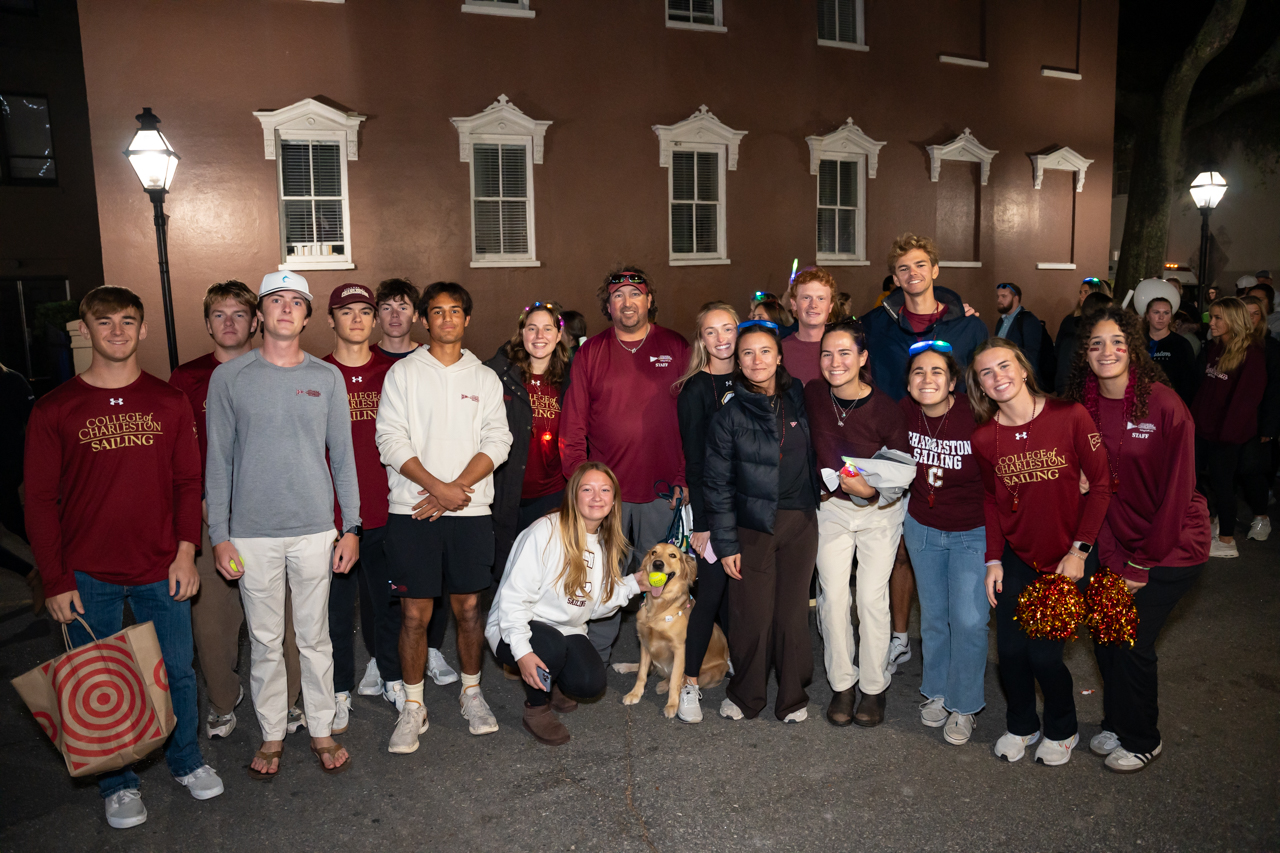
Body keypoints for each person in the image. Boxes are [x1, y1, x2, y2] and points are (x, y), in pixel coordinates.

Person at [25, 286, 223, 827]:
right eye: (105, 321)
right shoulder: (55, 407)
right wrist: (55, 578)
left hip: (162, 566)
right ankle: (118, 782)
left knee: (178, 672)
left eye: (128, 321)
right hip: (87, 574)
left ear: (143, 330)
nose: (117, 331)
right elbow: (39, 501)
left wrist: (187, 553)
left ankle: (186, 759)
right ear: (85, 330)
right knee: (101, 680)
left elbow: (188, 482)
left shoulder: (167, 400)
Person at [206, 271, 359, 778]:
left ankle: (320, 727)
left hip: (315, 528)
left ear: (308, 315)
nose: (287, 309)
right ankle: (272, 733)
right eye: (276, 300)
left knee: (315, 638)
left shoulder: (326, 377)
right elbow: (219, 461)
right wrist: (220, 534)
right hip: (252, 534)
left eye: (297, 302)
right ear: (261, 314)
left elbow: (343, 458)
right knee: (267, 641)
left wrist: (352, 527)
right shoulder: (230, 378)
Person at [1062, 306, 1209, 772]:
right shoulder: (1079, 405)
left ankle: (1144, 737)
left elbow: (1178, 491)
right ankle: (1119, 721)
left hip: (1168, 545)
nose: (1107, 352)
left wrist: (1144, 562)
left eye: (1117, 343)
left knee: (1130, 642)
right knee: (1106, 636)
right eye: (1096, 344)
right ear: (1084, 354)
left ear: (1133, 349)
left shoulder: (1163, 404)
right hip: (1112, 542)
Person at [377, 281, 512, 754]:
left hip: (471, 511)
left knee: (470, 610)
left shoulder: (485, 378)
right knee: (415, 615)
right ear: (425, 319)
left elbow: (498, 441)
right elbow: (390, 440)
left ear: (467, 319)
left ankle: (471, 694)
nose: (447, 319)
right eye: (437, 312)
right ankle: (414, 706)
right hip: (412, 510)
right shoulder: (404, 374)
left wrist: (454, 491)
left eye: (456, 311)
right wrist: (438, 490)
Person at [169, 280, 304, 740]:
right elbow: (179, 451)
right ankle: (224, 701)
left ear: (255, 321)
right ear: (207, 323)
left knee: (282, 619)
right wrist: (202, 504)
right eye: (220, 315)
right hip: (207, 516)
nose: (230, 323)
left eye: (239, 314)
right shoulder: (185, 379)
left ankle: (286, 701)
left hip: (267, 515)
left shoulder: (274, 369)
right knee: (213, 622)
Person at [970, 337, 1111, 766]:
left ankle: (1062, 728)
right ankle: (1021, 725)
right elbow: (991, 501)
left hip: (1067, 558)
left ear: (1024, 368)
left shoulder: (1070, 416)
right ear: (979, 385)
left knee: (1044, 654)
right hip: (1017, 557)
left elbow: (1101, 484)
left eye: (1005, 366)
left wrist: (1080, 550)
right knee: (1010, 653)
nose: (998, 377)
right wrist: (993, 559)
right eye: (986, 373)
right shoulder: (983, 438)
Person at [863, 233, 987, 673]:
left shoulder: (967, 325)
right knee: (900, 548)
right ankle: (900, 638)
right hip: (896, 444)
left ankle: (956, 641)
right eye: (903, 269)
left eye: (920, 265)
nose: (912, 274)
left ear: (935, 269)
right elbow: (832, 342)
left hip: (951, 446)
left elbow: (985, 384)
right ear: (894, 278)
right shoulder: (876, 323)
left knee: (950, 542)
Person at [560, 268, 690, 662]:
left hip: (660, 493)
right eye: (619, 296)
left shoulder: (677, 346)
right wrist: (581, 485)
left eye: (636, 294)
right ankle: (595, 660)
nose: (628, 302)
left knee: (659, 580)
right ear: (608, 305)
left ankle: (665, 656)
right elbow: (573, 424)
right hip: (607, 499)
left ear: (649, 300)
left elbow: (693, 419)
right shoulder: (591, 352)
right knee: (603, 579)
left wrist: (686, 477)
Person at [487, 462, 656, 745]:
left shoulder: (604, 542)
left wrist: (634, 584)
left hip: (567, 630)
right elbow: (514, 599)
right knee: (549, 647)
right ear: (573, 496)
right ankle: (536, 708)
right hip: (516, 625)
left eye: (605, 490)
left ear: (614, 500)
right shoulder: (545, 531)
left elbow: (595, 605)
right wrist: (522, 652)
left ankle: (551, 680)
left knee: (590, 684)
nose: (596, 497)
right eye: (587, 489)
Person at [705, 320, 821, 723]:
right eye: (748, 353)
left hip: (800, 522)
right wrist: (726, 545)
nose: (757, 360)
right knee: (752, 617)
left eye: (765, 351)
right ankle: (746, 696)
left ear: (779, 356)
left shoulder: (801, 397)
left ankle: (792, 699)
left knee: (792, 617)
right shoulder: (729, 415)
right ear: (738, 361)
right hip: (751, 528)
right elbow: (717, 484)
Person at [806, 320, 911, 727]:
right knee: (833, 597)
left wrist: (871, 492)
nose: (835, 362)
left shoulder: (886, 409)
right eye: (827, 354)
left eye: (845, 353)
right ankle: (842, 684)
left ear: (863, 358)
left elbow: (901, 474)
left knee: (870, 598)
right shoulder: (814, 395)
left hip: (878, 512)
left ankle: (873, 686)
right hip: (831, 508)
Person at [899, 341, 989, 746]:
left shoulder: (978, 416)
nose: (927, 379)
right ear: (909, 383)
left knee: (969, 621)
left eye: (937, 372)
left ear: (954, 381)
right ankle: (936, 689)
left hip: (972, 531)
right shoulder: (904, 414)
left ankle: (965, 704)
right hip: (922, 528)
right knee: (934, 617)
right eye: (918, 372)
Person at [372, 277, 456, 689]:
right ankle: (381, 656)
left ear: (417, 316)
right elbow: (388, 437)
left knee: (435, 583)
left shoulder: (440, 362)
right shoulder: (372, 364)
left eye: (403, 306)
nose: (394, 315)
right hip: (388, 494)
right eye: (385, 306)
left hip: (437, 495)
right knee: (388, 590)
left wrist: (445, 489)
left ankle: (432, 649)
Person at [321, 284, 399, 728]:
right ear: (330, 319)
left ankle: (391, 676)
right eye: (345, 311)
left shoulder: (394, 372)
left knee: (386, 606)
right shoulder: (315, 373)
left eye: (364, 311)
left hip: (386, 512)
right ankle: (338, 690)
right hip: (332, 519)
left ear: (374, 320)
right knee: (334, 615)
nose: (356, 318)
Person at [672, 301, 739, 723]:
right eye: (711, 331)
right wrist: (702, 524)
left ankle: (742, 671)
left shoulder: (757, 377)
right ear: (701, 339)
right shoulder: (694, 389)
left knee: (742, 597)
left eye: (727, 329)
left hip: (754, 509)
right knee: (711, 595)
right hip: (714, 513)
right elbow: (694, 462)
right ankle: (689, 684)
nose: (721, 339)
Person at [486, 301, 573, 580]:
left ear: (559, 335)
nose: (539, 336)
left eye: (548, 329)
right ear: (521, 333)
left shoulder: (571, 379)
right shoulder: (499, 376)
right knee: (506, 576)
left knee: (546, 573)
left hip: (552, 494)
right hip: (506, 491)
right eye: (532, 328)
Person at [1190, 297, 1266, 558]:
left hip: (1226, 435)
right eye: (1211, 317)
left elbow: (1245, 401)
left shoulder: (1251, 353)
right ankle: (1209, 522)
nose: (1211, 323)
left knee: (1224, 484)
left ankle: (1226, 540)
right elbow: (1205, 391)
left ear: (1233, 320)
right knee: (1194, 478)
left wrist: (1227, 435)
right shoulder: (1214, 347)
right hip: (1203, 429)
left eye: (1218, 318)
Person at [1240, 295, 1279, 541]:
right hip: (1233, 421)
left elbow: (1275, 391)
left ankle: (1261, 517)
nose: (1251, 318)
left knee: (1252, 470)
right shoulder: (1228, 343)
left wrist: (1270, 426)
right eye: (1246, 313)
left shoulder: (1271, 348)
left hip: (1258, 422)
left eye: (1256, 313)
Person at [0, 360, 38, 608]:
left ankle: (40, 572)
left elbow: (35, 424)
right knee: (13, 521)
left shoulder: (12, 381)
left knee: (14, 520)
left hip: (7, 467)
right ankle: (44, 569)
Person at [781, 267, 837, 385]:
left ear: (830, 306)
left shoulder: (844, 350)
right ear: (794, 304)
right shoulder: (780, 351)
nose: (813, 305)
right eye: (806, 298)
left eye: (821, 299)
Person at [1054, 291, 1113, 394]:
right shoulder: (1072, 340)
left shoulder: (1103, 340)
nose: (1112, 318)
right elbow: (1063, 381)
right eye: (1110, 312)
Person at [1144, 295, 1197, 404]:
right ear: (1147, 316)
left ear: (1171, 318)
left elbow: (1189, 383)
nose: (1161, 317)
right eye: (1156, 312)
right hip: (1141, 402)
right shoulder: (1137, 343)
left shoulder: (1181, 345)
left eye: (1166, 313)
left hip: (1170, 404)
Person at [993, 282, 1048, 388]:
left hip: (1021, 381)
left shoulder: (1028, 320)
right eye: (998, 296)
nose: (999, 300)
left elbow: (1032, 355)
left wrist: (1026, 382)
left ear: (1016, 298)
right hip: (1004, 378)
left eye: (1004, 296)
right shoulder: (1001, 320)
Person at [1056, 277, 1109, 345]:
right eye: (1080, 292)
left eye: (1086, 292)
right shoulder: (1070, 321)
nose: (1081, 296)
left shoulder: (1107, 321)